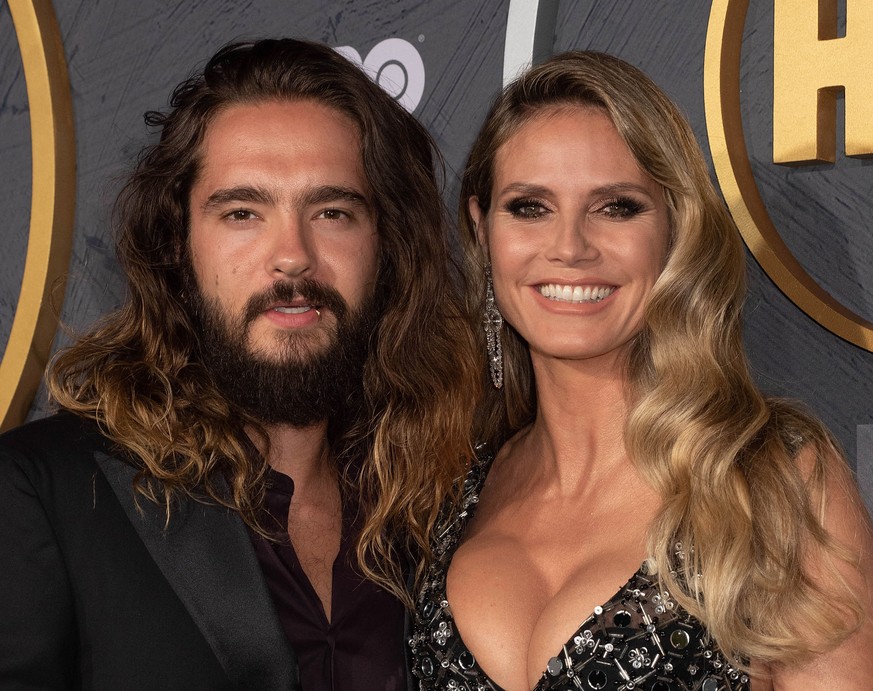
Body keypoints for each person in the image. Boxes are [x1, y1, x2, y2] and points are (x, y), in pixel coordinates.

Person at [0, 38, 477, 690]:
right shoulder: (40, 491)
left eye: (332, 212)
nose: (291, 256)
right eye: (243, 212)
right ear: (177, 245)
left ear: (386, 246)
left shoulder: (441, 508)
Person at [409, 51, 873, 690]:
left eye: (616, 207)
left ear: (675, 228)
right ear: (480, 226)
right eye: (530, 207)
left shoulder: (776, 479)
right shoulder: (446, 491)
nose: (570, 246)